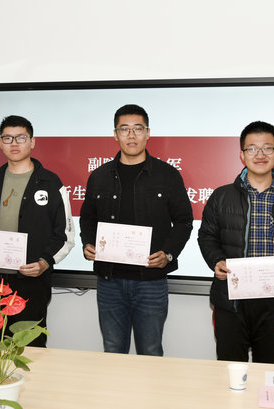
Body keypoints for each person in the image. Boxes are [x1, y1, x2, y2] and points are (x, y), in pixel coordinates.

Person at [198, 121, 274, 364]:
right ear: (242, 155)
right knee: (230, 371)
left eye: (267, 148)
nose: (260, 155)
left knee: (270, 372)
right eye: (252, 148)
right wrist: (216, 261)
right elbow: (207, 236)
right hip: (231, 300)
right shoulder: (221, 196)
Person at [79, 104, 193, 356]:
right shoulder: (99, 176)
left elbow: (184, 221)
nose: (131, 135)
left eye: (138, 128)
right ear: (115, 134)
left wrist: (168, 253)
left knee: (150, 352)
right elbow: (87, 217)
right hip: (109, 281)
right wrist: (88, 243)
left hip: (150, 281)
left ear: (148, 133)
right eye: (124, 129)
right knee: (113, 350)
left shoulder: (167, 175)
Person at [0, 115, 75, 347]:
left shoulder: (51, 183)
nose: (14, 143)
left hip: (31, 281)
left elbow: (65, 235)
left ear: (32, 142)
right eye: (8, 138)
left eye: (21, 137)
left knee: (32, 347)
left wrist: (44, 262)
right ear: (0, 143)